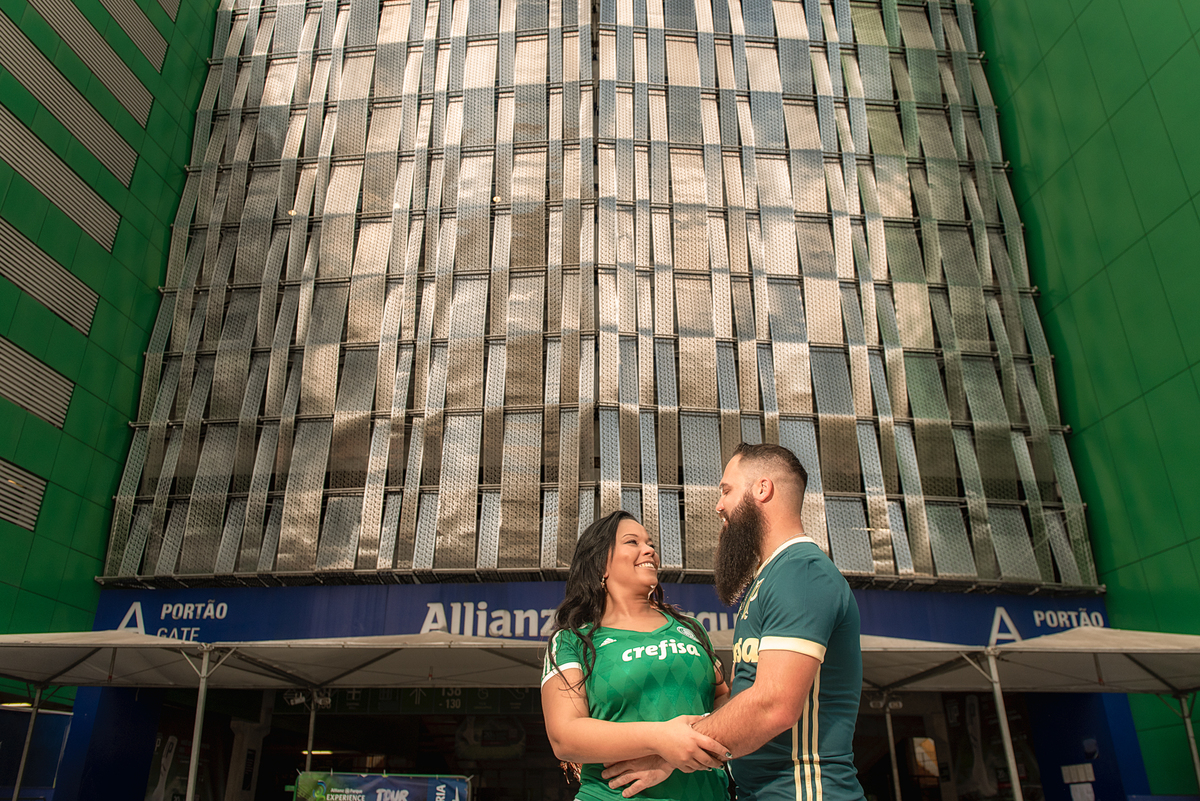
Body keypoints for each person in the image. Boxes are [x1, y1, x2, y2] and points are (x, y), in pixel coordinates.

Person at [602, 442, 866, 801]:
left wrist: (672, 753)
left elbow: (773, 705)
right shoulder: (770, 579)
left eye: (726, 490)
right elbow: (746, 699)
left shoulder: (801, 573)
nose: (719, 505)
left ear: (762, 489)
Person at [541, 509, 732, 800]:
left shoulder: (691, 628)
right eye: (633, 542)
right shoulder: (572, 641)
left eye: (650, 543)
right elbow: (564, 736)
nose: (650, 550)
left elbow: (725, 701)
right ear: (600, 565)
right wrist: (659, 739)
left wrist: (672, 754)